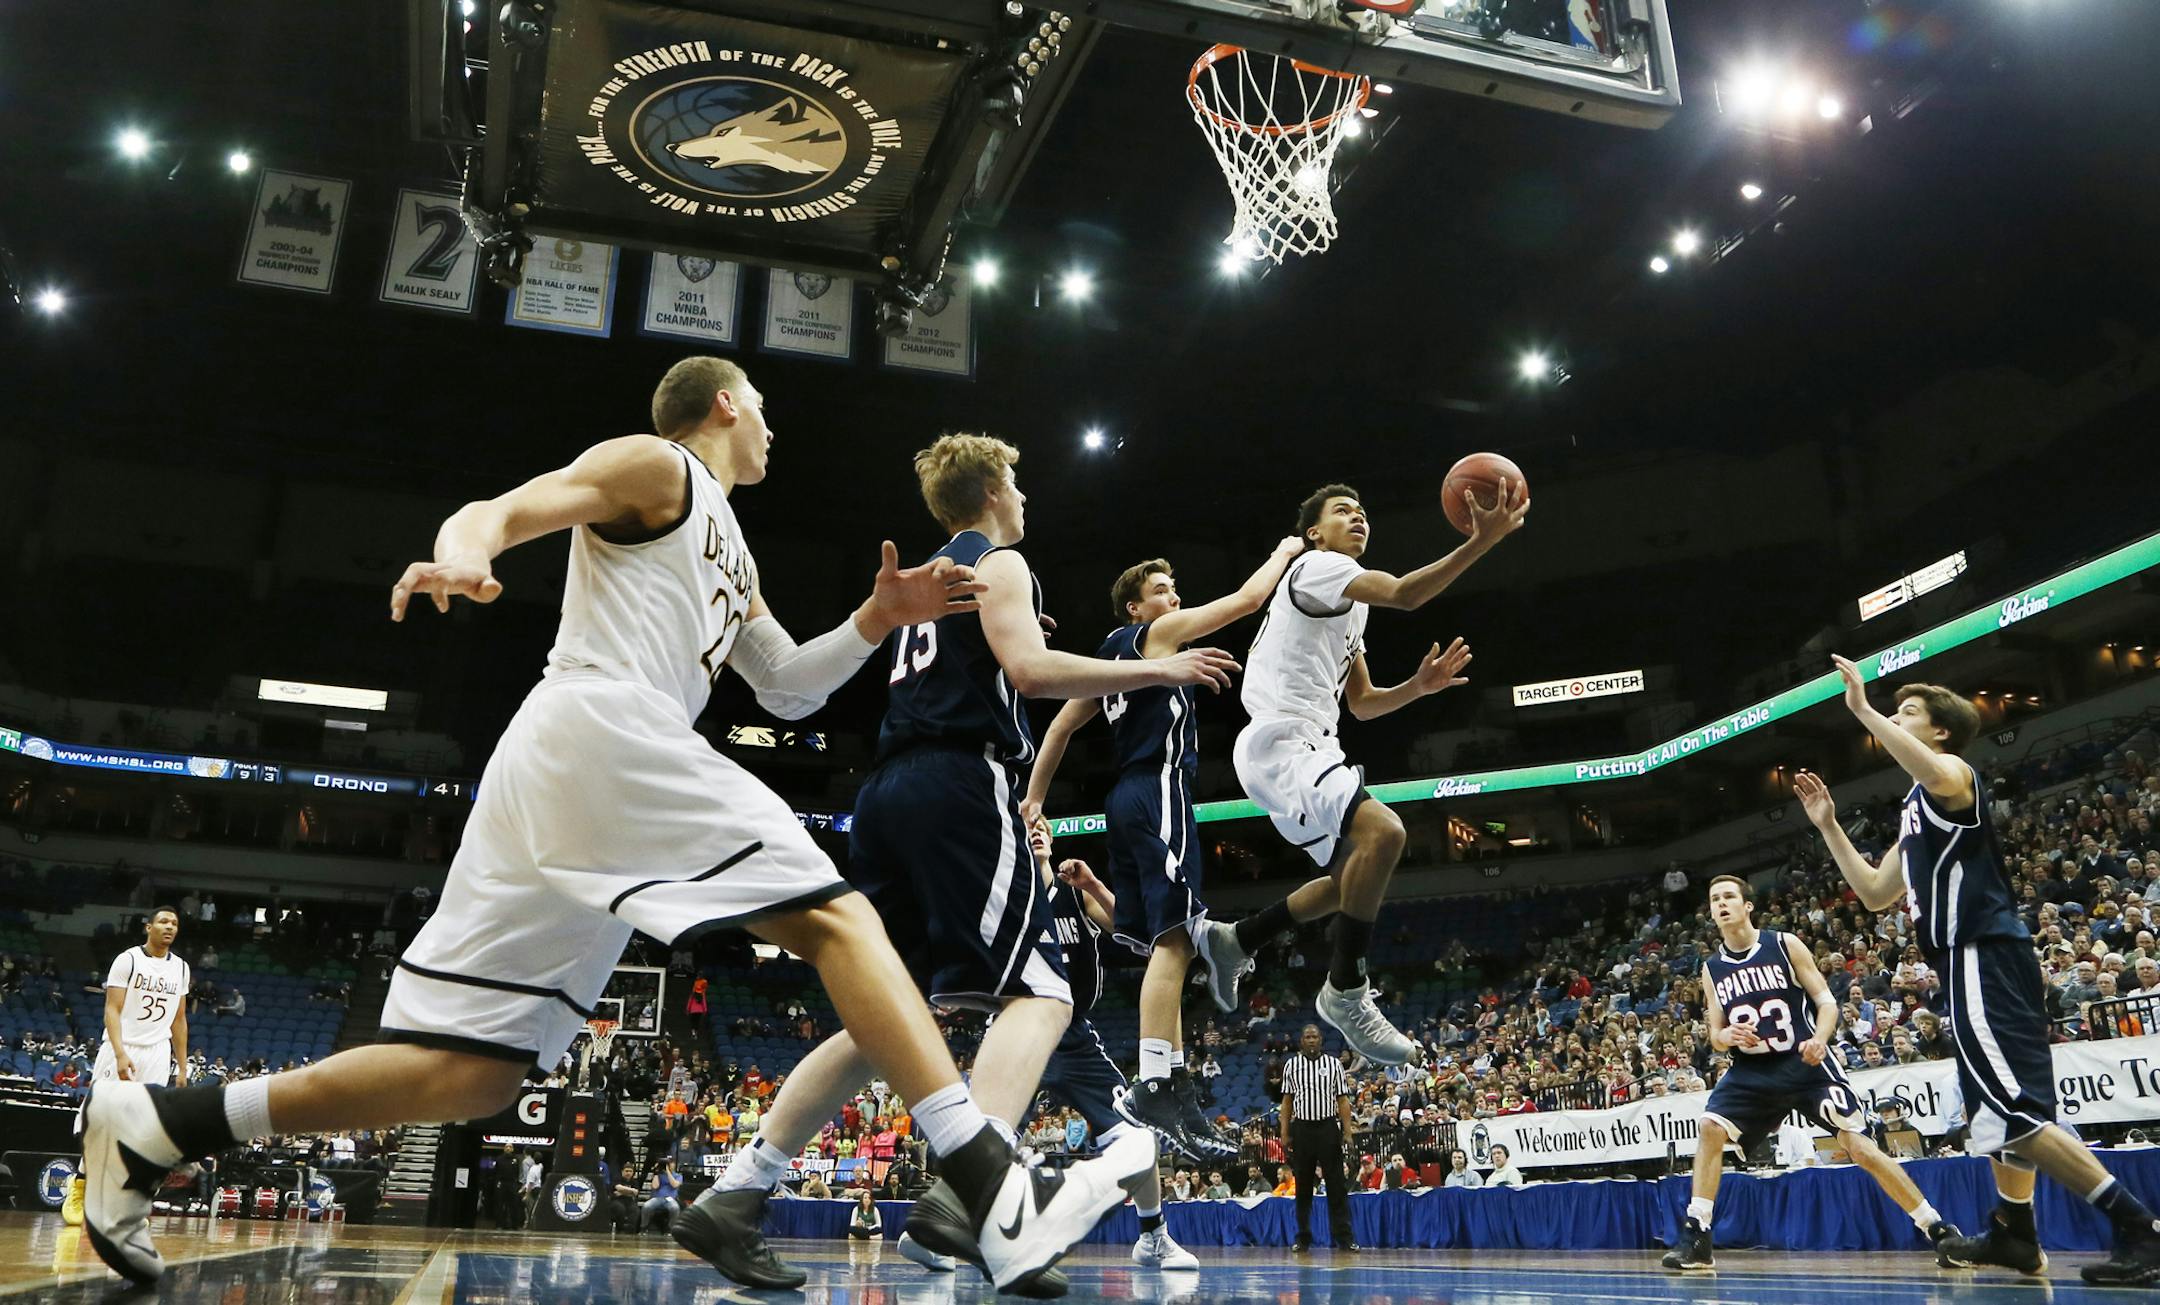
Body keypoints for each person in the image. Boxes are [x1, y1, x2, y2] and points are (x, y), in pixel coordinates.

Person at [79, 359, 1136, 1296]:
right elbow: (514, 505)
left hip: (568, 776)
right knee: (841, 918)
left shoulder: (733, 550)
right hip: (602, 724)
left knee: (470, 1073)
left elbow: (788, 690)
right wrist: (462, 552)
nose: (774, 431)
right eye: (763, 412)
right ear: (726, 404)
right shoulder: (660, 466)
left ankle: (165, 1124)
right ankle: (984, 1176)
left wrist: (874, 621)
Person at [1799, 662, 2160, 1285]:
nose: (1895, 718)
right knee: (1996, 1117)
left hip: (1981, 953)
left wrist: (1863, 710)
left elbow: (1933, 769)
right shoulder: (1916, 810)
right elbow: (1876, 891)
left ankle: (2140, 1227)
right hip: (1969, 961)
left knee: (2015, 1113)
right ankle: (2016, 1232)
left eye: (1908, 713)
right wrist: (1829, 825)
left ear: (1940, 733)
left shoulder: (1954, 777)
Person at [1021, 540, 1303, 1162]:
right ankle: (1152, 1084)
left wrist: (1036, 798)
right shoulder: (1158, 635)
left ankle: (1173, 1088)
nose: (1174, 599)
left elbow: (1063, 724)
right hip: (1157, 790)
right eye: (1162, 591)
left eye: (1174, 591)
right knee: (1175, 941)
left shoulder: (1109, 661)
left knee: (1163, 945)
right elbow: (1248, 600)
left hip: (1125, 798)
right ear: (1134, 608)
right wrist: (1285, 548)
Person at [1231, 481, 1525, 1062]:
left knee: (1349, 880)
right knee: (1385, 834)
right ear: (1314, 532)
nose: (1358, 516)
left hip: (1309, 741)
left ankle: (1239, 937)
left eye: (1363, 509)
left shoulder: (1350, 599)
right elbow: (1408, 594)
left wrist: (1418, 687)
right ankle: (1346, 988)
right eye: (1342, 511)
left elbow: (1361, 703)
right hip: (1284, 738)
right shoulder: (1317, 566)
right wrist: (1480, 541)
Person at [1662, 876, 1961, 1273]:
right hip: (1753, 1070)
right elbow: (1715, 1034)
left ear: (1747, 906)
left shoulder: (1783, 944)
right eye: (1715, 898)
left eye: (1729, 896)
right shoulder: (1712, 968)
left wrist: (1820, 1039)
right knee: (1710, 1128)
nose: (1721, 903)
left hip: (1806, 1063)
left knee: (1860, 1147)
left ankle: (1937, 1229)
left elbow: (1826, 1003)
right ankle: (1697, 1236)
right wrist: (1725, 1036)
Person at [64, 907, 190, 1226]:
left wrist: (183, 1067)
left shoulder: (182, 969)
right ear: (148, 927)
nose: (169, 927)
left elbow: (179, 1020)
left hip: (158, 1052)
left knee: (142, 1130)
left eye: (174, 923)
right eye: (163, 921)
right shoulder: (128, 959)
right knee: (102, 1120)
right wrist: (120, 1053)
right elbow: (112, 1009)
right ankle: (79, 1186)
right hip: (123, 1046)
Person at [1281, 1023, 1357, 1253]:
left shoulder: (1334, 1064)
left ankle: (1344, 1238)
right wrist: (1284, 1133)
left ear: (1321, 1040)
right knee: (1303, 1187)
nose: (1311, 1040)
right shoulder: (1291, 1066)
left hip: (1327, 1128)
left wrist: (1347, 1131)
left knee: (1336, 1186)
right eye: (1307, 1037)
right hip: (1302, 1129)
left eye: (1315, 1036)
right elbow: (1287, 1102)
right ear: (1302, 1041)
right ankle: (1303, 1238)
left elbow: (1342, 1100)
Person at [641, 1158, 682, 1233]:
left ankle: (670, 1229)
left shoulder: (678, 1176)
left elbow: (674, 1185)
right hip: (657, 1198)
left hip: (670, 1199)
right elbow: (655, 1186)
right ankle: (643, 1227)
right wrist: (656, 1172)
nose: (669, 1165)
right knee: (646, 1206)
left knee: (675, 1208)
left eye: (670, 1163)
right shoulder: (658, 1175)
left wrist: (668, 1172)